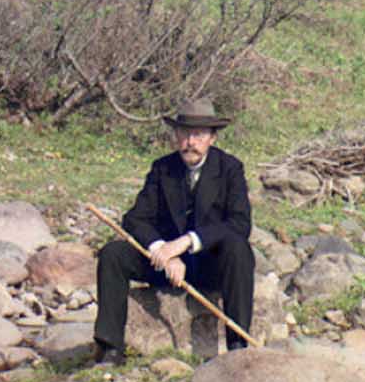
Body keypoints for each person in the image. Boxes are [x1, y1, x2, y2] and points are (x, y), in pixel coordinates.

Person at [94, 98, 254, 363]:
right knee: (113, 254)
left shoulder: (230, 169)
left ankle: (237, 348)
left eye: (198, 135)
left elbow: (239, 224)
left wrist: (187, 242)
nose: (190, 142)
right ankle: (110, 348)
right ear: (176, 135)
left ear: (212, 138)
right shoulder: (162, 168)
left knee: (239, 249)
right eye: (184, 133)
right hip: (165, 267)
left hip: (210, 265)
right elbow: (134, 219)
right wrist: (162, 251)